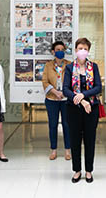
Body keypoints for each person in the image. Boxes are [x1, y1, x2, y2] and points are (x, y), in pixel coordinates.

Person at [62, 37, 102, 183]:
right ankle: (77, 170)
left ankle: (89, 170)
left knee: (90, 139)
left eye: (85, 49)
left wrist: (83, 95)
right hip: (73, 109)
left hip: (91, 109)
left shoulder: (94, 67)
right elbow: (65, 89)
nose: (82, 51)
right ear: (75, 50)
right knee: (75, 140)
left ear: (88, 51)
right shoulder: (69, 67)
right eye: (80, 48)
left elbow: (98, 87)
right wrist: (81, 100)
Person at [41, 41, 71, 161]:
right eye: (57, 49)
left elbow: (72, 81)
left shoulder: (69, 65)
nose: (60, 51)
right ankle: (53, 150)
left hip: (66, 100)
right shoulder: (48, 66)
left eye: (62, 49)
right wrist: (55, 92)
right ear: (53, 52)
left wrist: (64, 92)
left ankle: (67, 150)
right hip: (52, 99)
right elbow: (44, 81)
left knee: (67, 125)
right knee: (52, 125)